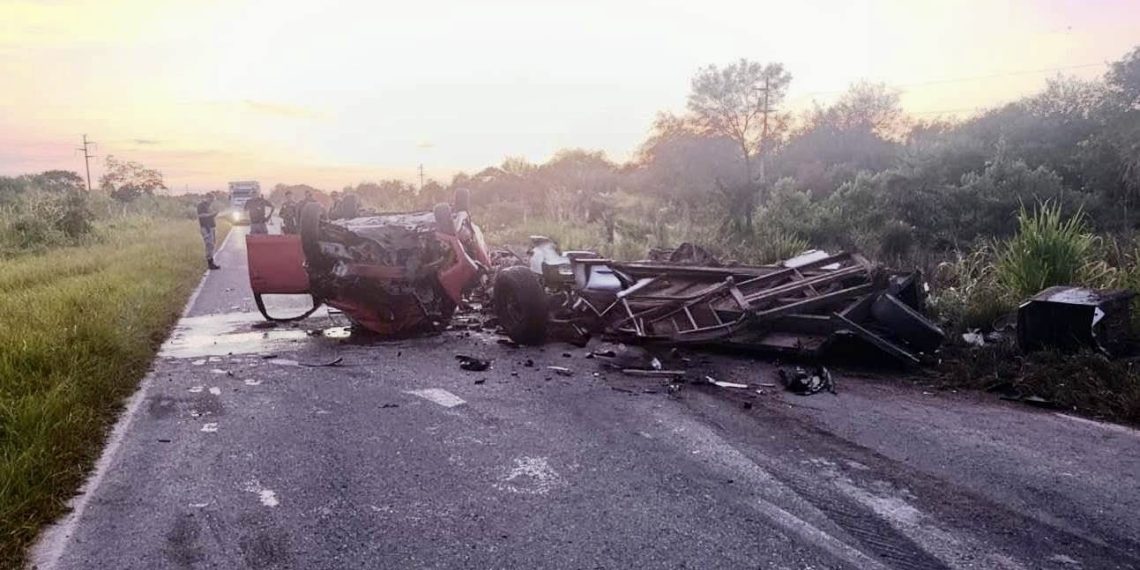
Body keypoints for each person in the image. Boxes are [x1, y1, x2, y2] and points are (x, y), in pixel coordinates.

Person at [196, 196, 221, 270]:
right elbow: (200, 215)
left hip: (211, 227)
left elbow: (210, 215)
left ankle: (212, 261)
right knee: (209, 244)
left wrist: (214, 214)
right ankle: (210, 263)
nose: (211, 201)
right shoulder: (201, 205)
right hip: (205, 227)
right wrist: (211, 214)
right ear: (207, 198)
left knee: (212, 244)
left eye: (213, 200)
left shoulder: (209, 206)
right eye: (211, 200)